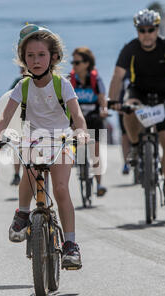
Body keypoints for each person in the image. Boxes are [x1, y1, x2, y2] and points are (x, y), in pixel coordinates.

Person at [0, 24, 89, 269]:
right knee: (29, 173)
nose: (36, 60)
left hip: (61, 139)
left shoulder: (62, 84)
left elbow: (77, 115)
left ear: (53, 57)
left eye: (41, 55)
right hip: (33, 139)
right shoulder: (22, 87)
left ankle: (71, 245)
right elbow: (3, 118)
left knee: (62, 189)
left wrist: (82, 132)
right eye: (30, 56)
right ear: (23, 59)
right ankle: (22, 213)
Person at [108, 9, 165, 207]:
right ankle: (136, 147)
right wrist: (113, 100)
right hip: (139, 92)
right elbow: (117, 76)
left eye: (151, 29)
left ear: (157, 29)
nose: (147, 34)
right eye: (142, 30)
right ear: (138, 31)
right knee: (128, 109)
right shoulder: (130, 48)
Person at [69, 46, 108, 196]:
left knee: (95, 152)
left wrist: (104, 110)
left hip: (93, 117)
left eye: (77, 62)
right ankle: (75, 157)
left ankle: (99, 185)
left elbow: (102, 98)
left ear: (86, 63)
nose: (74, 66)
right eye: (73, 62)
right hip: (76, 118)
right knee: (74, 137)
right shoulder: (71, 80)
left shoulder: (95, 79)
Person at [8, 66, 25, 186]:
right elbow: (9, 98)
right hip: (19, 119)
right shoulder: (18, 83)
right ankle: (16, 174)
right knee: (16, 145)